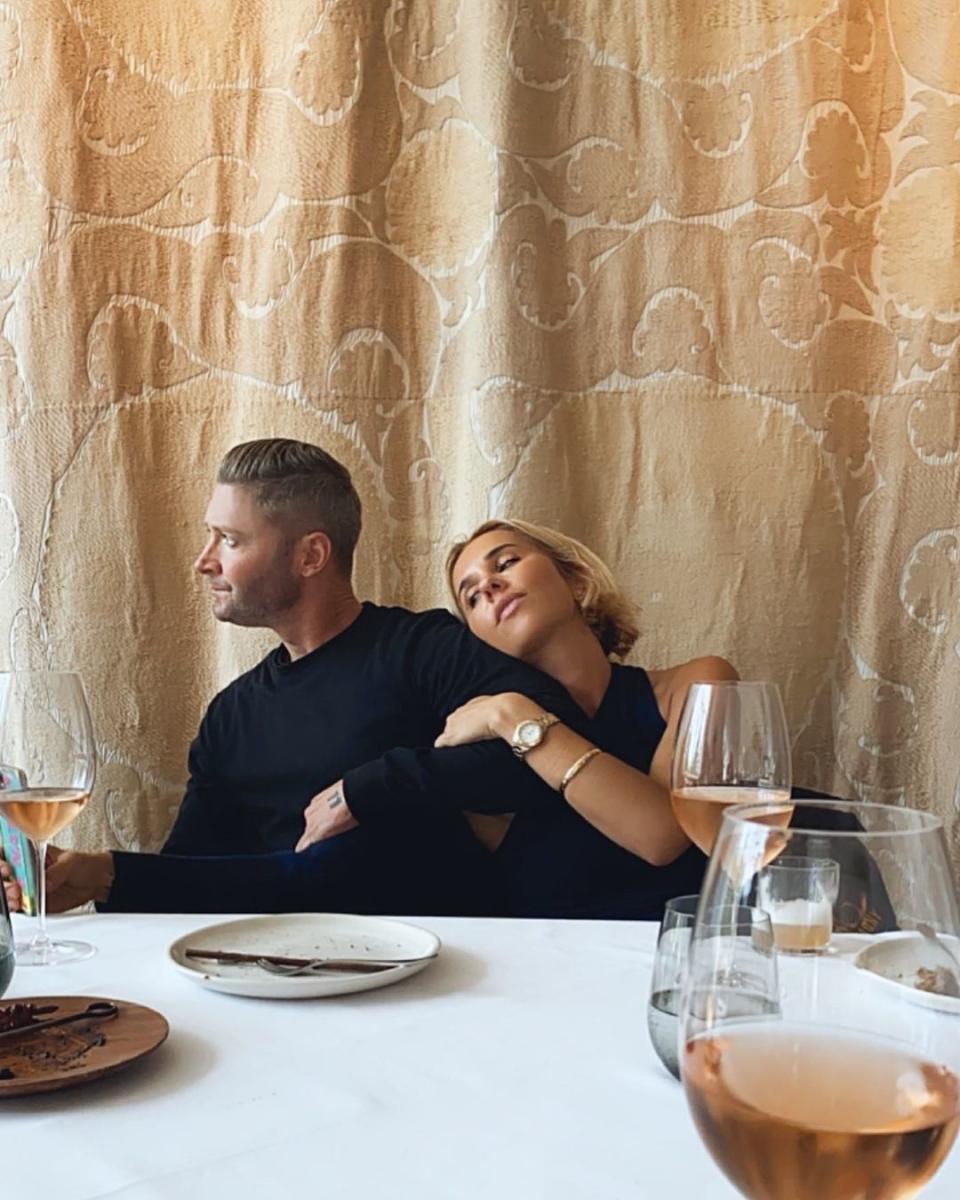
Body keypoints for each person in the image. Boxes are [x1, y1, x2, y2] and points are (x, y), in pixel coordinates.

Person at [3, 439, 589, 916]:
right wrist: (85, 881)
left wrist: (368, 787)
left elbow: (549, 747)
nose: (204, 560)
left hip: (435, 979)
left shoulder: (423, 648)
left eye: (229, 540)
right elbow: (184, 881)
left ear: (311, 556)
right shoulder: (231, 714)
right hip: (270, 981)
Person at [439, 519, 737, 917]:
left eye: (506, 563)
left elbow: (662, 835)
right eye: (472, 597)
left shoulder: (698, 683)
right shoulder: (481, 747)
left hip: (688, 965)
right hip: (546, 971)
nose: (488, 588)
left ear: (576, 580)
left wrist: (512, 715)